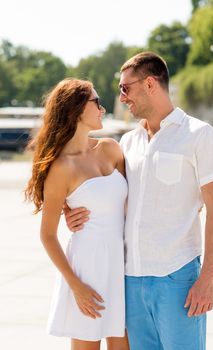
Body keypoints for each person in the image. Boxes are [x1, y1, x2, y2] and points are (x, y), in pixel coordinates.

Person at [65, 52, 213, 350]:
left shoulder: (199, 135)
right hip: (131, 280)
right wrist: (69, 208)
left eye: (125, 88)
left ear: (150, 84)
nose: (122, 97)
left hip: (178, 278)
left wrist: (208, 277)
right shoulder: (128, 142)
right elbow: (104, 190)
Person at [25, 78, 130, 350]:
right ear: (76, 108)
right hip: (87, 270)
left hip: (123, 265)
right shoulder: (61, 168)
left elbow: (133, 201)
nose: (102, 109)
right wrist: (76, 286)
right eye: (96, 102)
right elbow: (47, 235)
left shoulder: (111, 148)